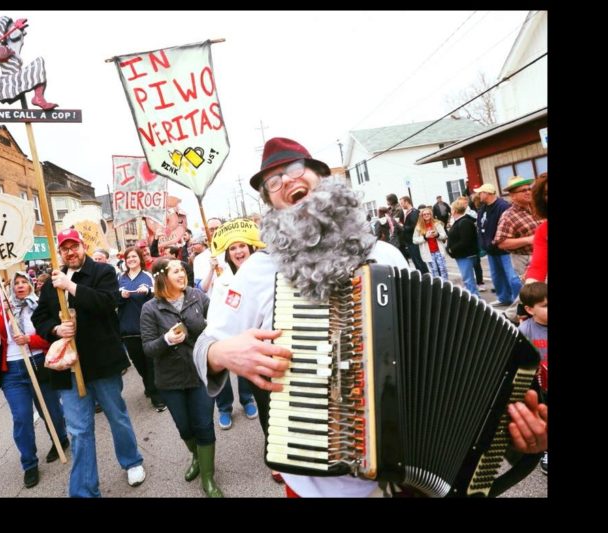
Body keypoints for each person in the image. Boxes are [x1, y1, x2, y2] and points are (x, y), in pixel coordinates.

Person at [192, 137, 548, 497]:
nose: (285, 180)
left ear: (322, 178)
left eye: (294, 169)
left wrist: (514, 438)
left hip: (412, 480)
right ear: (271, 204)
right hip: (319, 486)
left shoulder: (384, 254)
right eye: (272, 181)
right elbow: (205, 346)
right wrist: (221, 353)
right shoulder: (259, 270)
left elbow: (440, 350)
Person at [32, 228, 145, 497]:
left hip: (101, 361)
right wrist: (56, 329)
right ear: (60, 252)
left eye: (74, 246)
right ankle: (84, 490)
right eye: (65, 248)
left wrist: (71, 287)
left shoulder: (102, 272)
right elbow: (40, 318)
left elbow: (106, 303)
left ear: (83, 246)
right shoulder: (51, 283)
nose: (70, 252)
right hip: (69, 368)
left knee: (116, 416)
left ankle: (131, 461)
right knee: (79, 429)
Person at [140, 258, 222, 497]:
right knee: (184, 427)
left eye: (183, 270)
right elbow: (148, 348)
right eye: (175, 271)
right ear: (162, 277)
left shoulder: (197, 296)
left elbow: (219, 322)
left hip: (200, 373)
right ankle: (196, 456)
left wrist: (209, 327)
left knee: (204, 425)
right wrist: (165, 340)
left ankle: (208, 478)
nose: (182, 274)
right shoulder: (150, 308)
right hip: (170, 380)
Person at [0, 272, 69, 489]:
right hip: (13, 371)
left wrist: (29, 339)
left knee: (51, 410)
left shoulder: (38, 306)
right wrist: (1, 313)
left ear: (30, 285)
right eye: (16, 283)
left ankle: (60, 438)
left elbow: (50, 337)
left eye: (23, 282)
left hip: (38, 363)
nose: (20, 286)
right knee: (21, 417)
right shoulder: (2, 310)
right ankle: (29, 464)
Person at [208, 218, 263, 430]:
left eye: (242, 246)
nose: (238, 251)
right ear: (228, 253)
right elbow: (215, 313)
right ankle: (224, 408)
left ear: (250, 248)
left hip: (255, 334)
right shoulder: (222, 280)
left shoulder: (262, 273)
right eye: (233, 248)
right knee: (223, 367)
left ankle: (247, 399)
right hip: (229, 334)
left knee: (247, 369)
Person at [118, 246, 166, 412]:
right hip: (128, 328)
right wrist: (121, 295)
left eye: (134, 256)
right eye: (128, 257)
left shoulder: (147, 276)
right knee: (139, 364)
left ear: (140, 259)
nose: (131, 260)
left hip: (147, 327)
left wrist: (148, 291)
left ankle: (157, 397)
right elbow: (113, 300)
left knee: (151, 363)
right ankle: (148, 384)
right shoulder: (120, 278)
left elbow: (160, 294)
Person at [517, 281, 548, 474]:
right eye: (545, 306)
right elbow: (517, 359)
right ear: (529, 310)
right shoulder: (525, 330)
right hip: (540, 386)